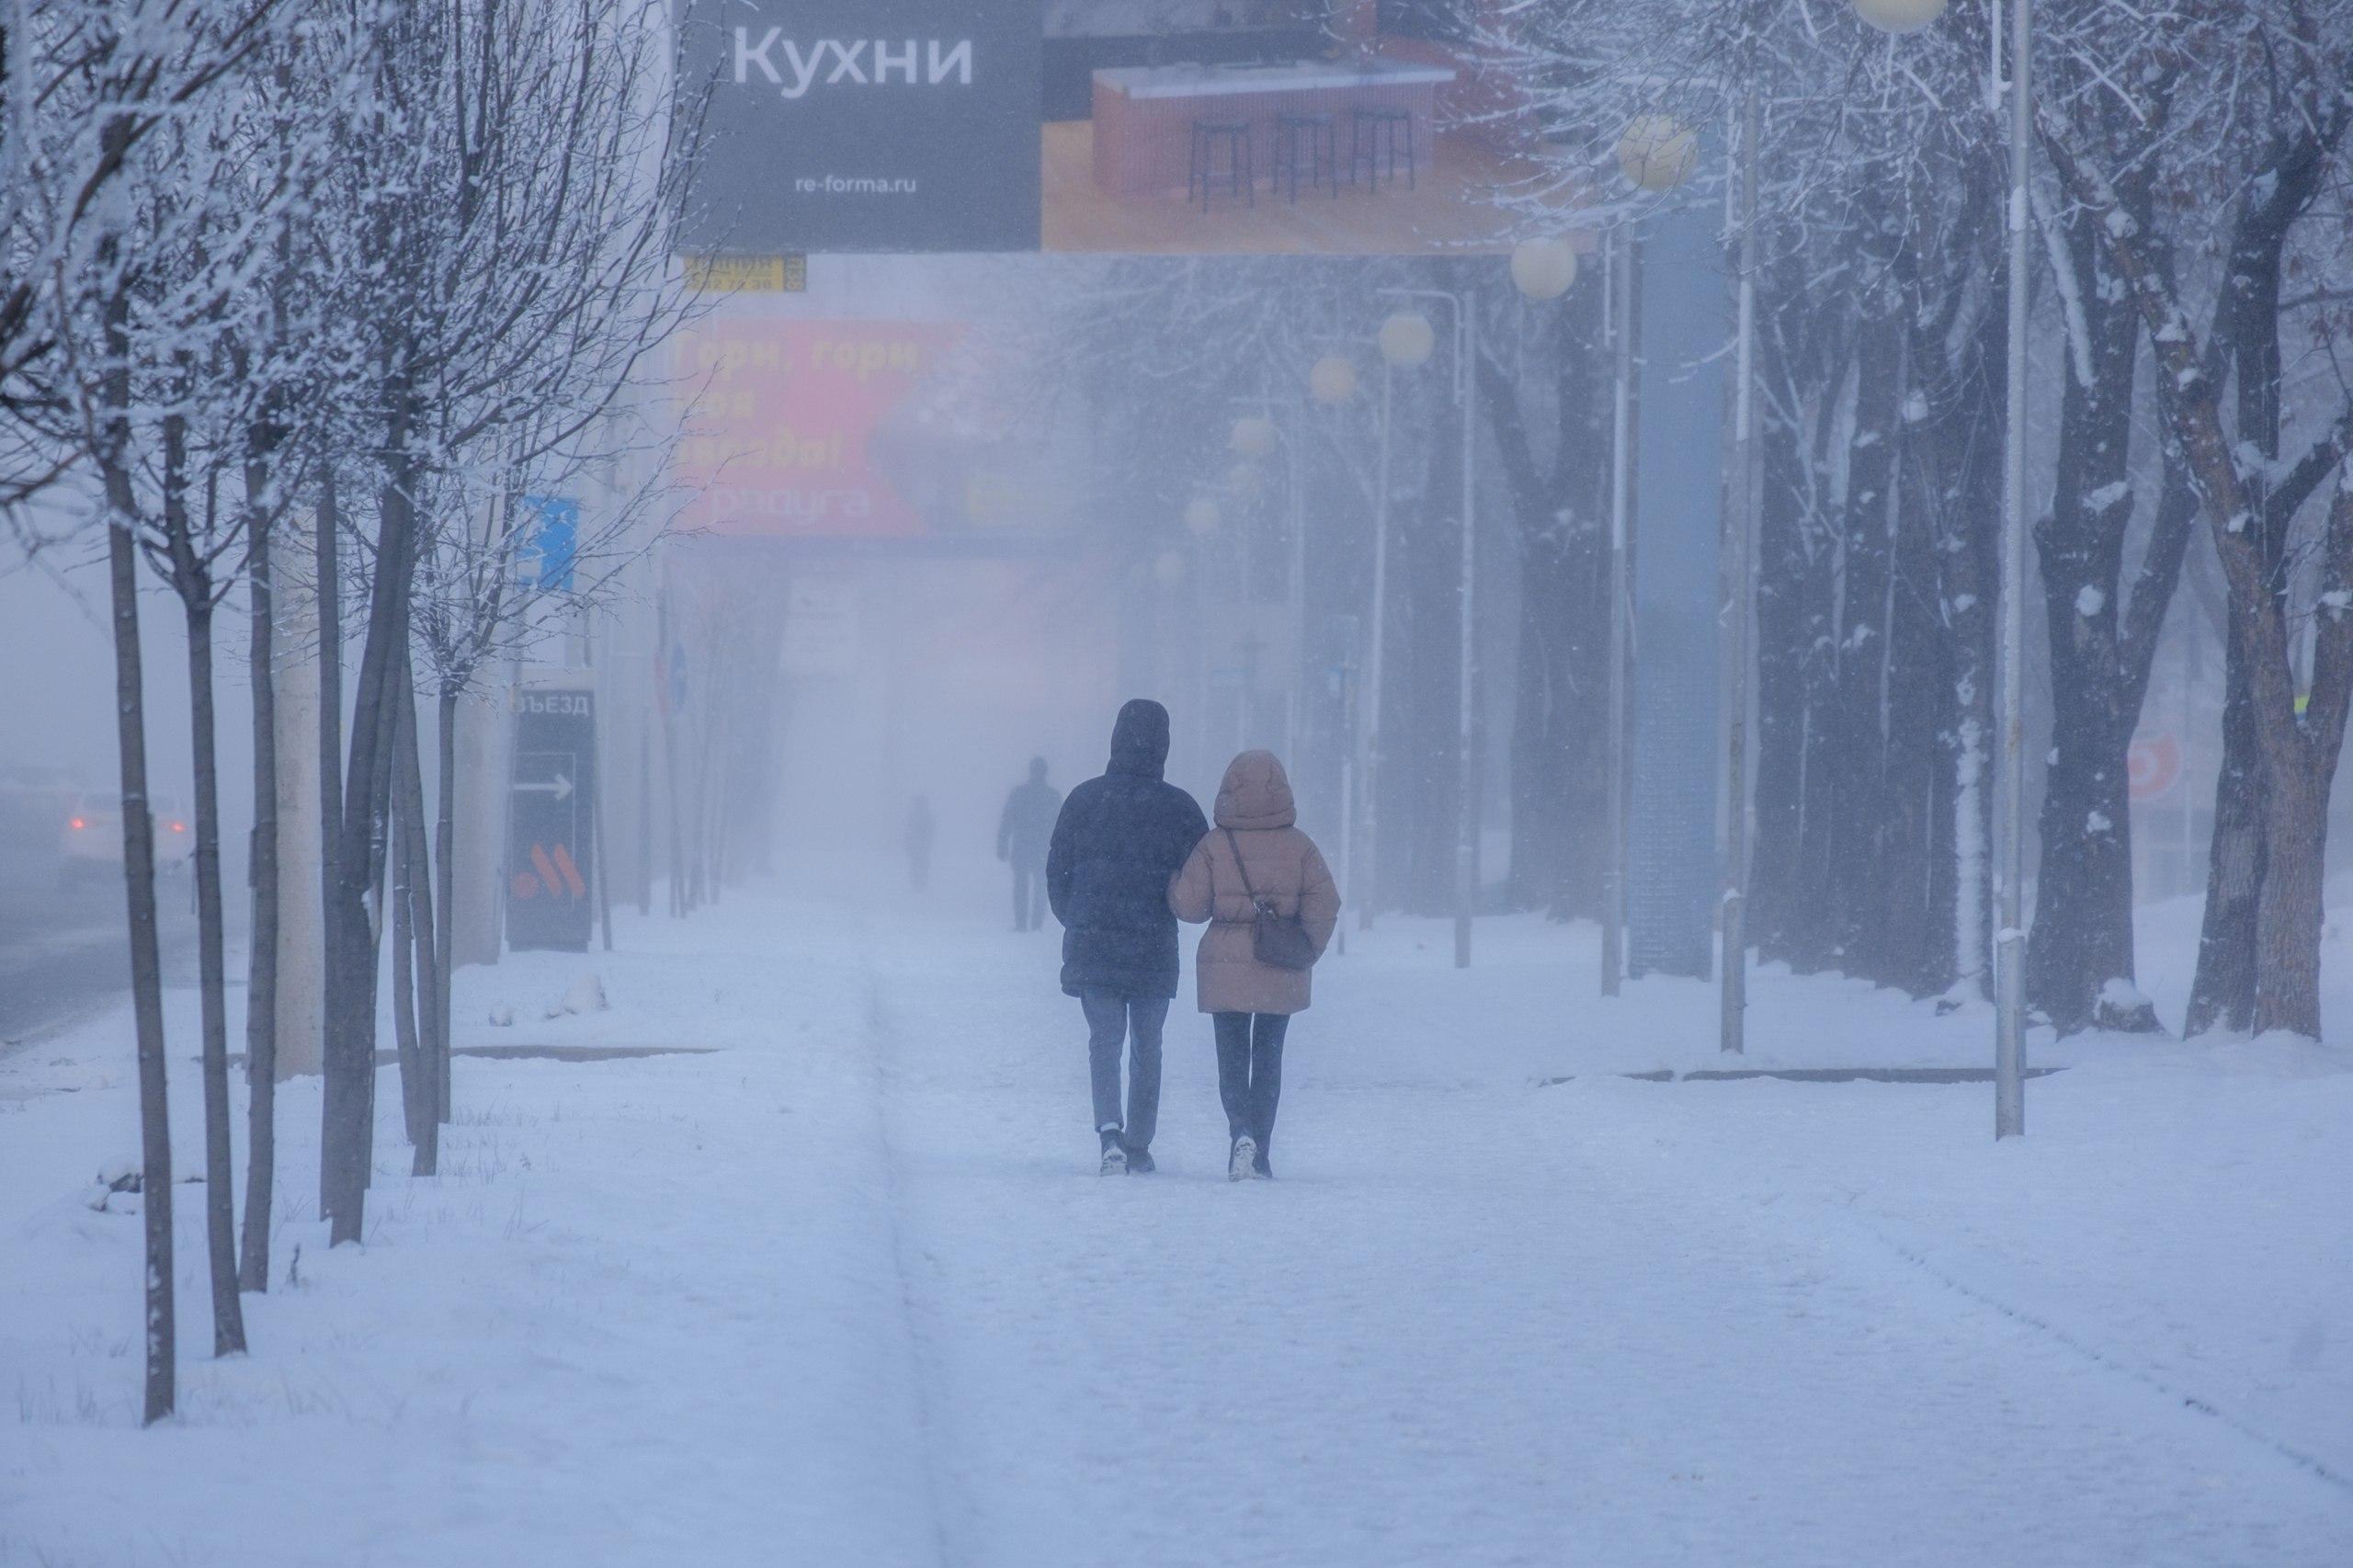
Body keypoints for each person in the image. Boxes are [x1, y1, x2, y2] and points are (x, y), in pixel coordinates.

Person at [1045, 699, 1208, 1176]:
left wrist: (1076, 916)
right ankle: (1139, 1141)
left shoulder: (1084, 799)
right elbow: (1201, 877)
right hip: (1153, 945)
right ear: (1165, 744)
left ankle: (1109, 1132)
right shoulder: (1179, 808)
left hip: (1093, 942)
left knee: (1104, 1040)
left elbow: (1057, 870)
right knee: (1148, 1045)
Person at [1169, 749, 1338, 1181]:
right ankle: (1260, 1149)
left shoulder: (1214, 844)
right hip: (1278, 963)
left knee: (1231, 1056)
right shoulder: (1300, 847)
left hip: (1225, 965)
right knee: (1268, 1058)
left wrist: (1173, 883)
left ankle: (1239, 1131)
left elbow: (1189, 906)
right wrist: (1305, 946)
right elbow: (1325, 902)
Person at [996, 756, 1061, 932]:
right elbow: (1060, 825)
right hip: (1042, 849)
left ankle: (1021, 923)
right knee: (1040, 885)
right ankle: (1036, 922)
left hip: (1022, 847)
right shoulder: (1053, 796)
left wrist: (1002, 844)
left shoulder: (1019, 793)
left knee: (1021, 885)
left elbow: (1007, 820)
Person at [904, 795, 934, 892]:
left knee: (918, 865)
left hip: (919, 846)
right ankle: (919, 885)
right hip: (919, 846)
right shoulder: (925, 815)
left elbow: (908, 831)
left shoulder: (918, 816)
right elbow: (908, 831)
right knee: (919, 865)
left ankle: (918, 885)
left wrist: (909, 843)